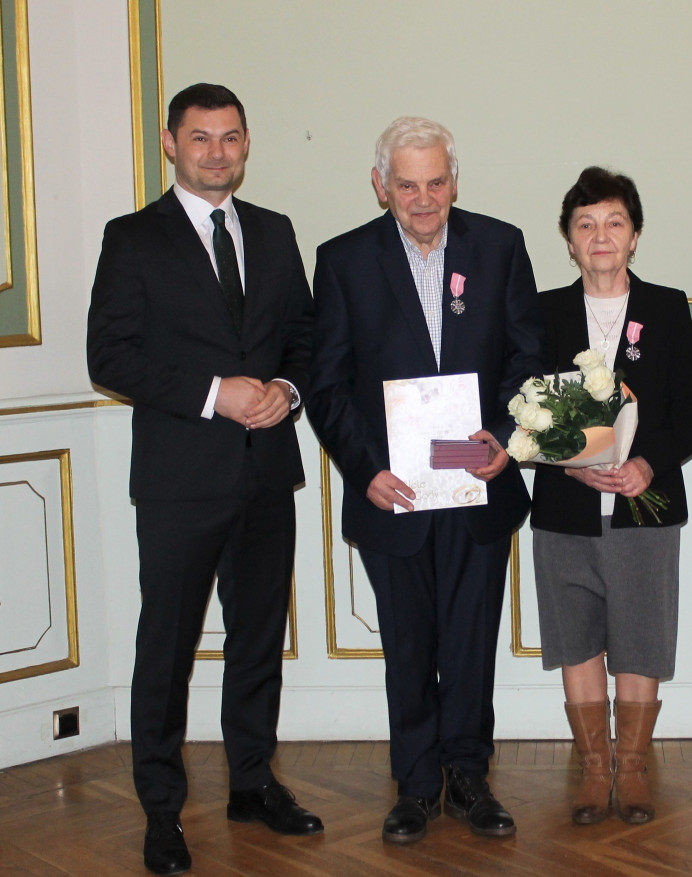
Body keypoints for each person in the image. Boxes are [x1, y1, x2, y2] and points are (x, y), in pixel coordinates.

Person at [87, 83, 321, 876]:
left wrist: (287, 391)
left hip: (265, 474)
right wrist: (217, 394)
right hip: (180, 480)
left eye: (230, 138)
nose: (216, 152)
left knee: (258, 641)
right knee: (168, 647)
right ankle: (161, 808)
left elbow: (304, 337)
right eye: (200, 138)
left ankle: (252, 781)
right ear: (170, 143)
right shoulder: (133, 238)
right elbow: (110, 355)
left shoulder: (276, 231)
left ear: (247, 143)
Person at [305, 117, 543, 845]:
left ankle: (469, 776)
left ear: (454, 180)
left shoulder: (499, 246)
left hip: (477, 486)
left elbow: (527, 357)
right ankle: (414, 785)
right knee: (409, 643)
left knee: (471, 639)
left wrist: (504, 439)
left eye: (436, 181)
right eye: (407, 184)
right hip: (395, 492)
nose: (423, 197)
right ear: (382, 186)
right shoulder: (343, 260)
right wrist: (365, 468)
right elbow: (328, 383)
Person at [530, 167, 692, 825]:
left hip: (645, 505)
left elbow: (690, 415)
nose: (600, 236)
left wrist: (648, 466)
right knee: (577, 638)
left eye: (613, 223)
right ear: (569, 241)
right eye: (585, 225)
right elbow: (526, 410)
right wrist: (569, 464)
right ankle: (593, 769)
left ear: (634, 236)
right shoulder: (543, 311)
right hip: (564, 508)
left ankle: (631, 770)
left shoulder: (665, 307)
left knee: (640, 635)